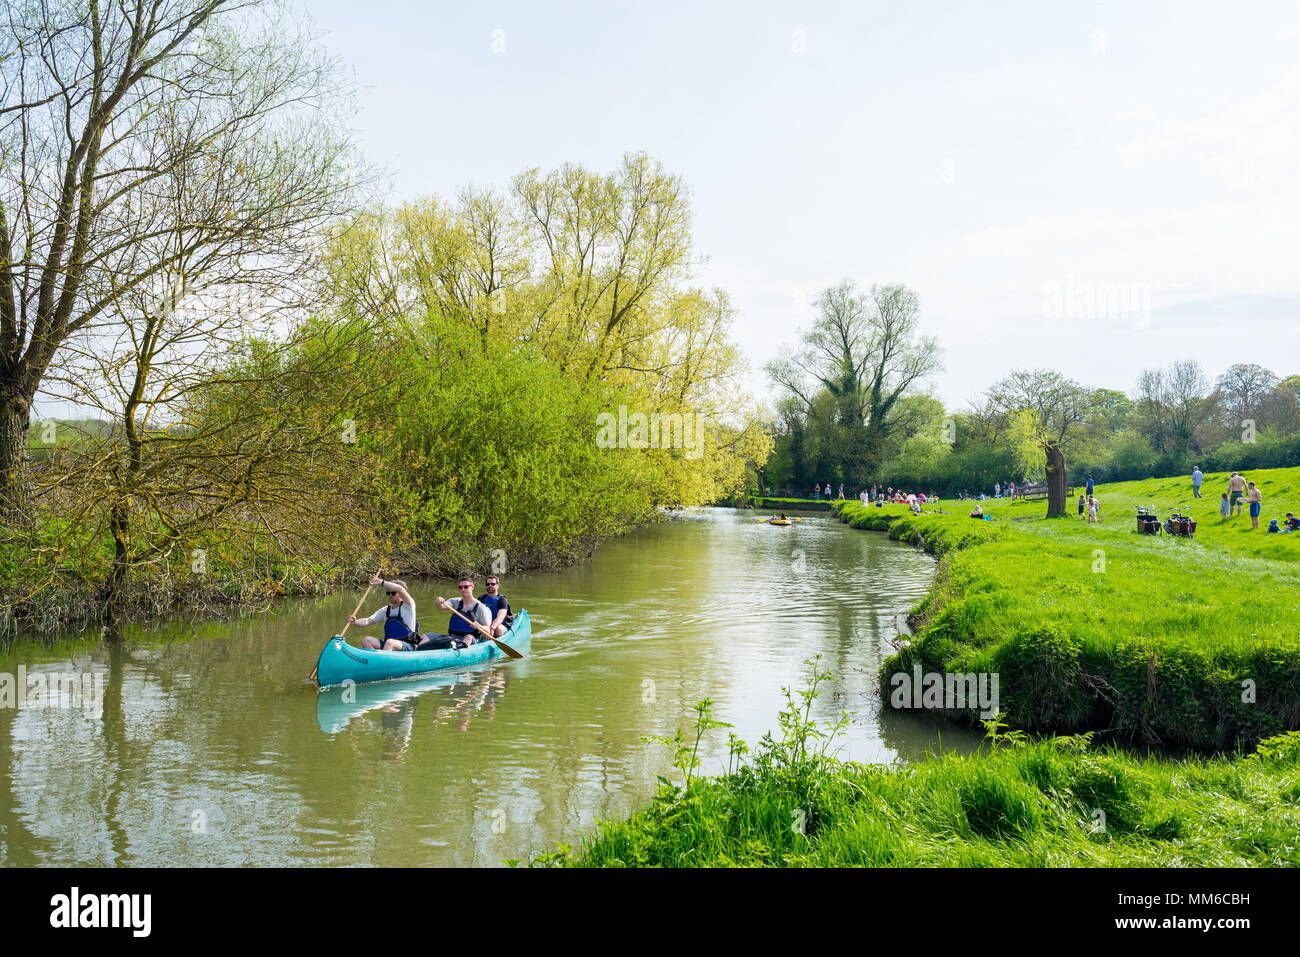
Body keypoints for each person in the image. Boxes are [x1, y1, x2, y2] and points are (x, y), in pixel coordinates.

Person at [418, 575, 493, 650]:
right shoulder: (455, 602)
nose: (463, 589)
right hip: (451, 637)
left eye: (466, 587)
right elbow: (441, 606)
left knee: (468, 637)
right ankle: (418, 651)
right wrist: (438, 601)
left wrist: (480, 626)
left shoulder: (480, 607)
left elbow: (487, 629)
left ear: (472, 587)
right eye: (460, 587)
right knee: (425, 636)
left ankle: (458, 650)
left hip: (469, 639)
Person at [349, 577, 419, 651]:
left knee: (390, 643)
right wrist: (355, 622)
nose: (390, 596)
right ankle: (375, 661)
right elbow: (368, 620)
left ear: (401, 594)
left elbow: (400, 589)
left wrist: (382, 582)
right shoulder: (386, 610)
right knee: (367, 640)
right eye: (388, 593)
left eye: (393, 593)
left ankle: (382, 661)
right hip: (389, 645)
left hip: (408, 645)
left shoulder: (408, 606)